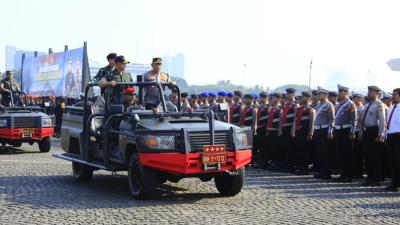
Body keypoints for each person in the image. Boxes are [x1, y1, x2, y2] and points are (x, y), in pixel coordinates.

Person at [359, 86, 386, 186]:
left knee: (375, 156)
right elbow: (362, 120)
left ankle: (376, 178)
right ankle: (369, 177)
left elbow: (382, 120)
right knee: (367, 156)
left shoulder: (379, 105)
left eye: (371, 91)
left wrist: (380, 134)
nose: (369, 93)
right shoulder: (367, 105)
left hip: (374, 131)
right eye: (369, 91)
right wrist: (361, 133)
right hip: (366, 132)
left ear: (377, 93)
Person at [333, 84, 357, 183]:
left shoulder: (350, 104)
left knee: (347, 154)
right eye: (339, 92)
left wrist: (352, 132)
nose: (339, 94)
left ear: (346, 92)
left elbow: (354, 119)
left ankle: (348, 176)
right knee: (341, 154)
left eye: (340, 92)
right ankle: (343, 175)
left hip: (346, 131)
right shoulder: (339, 104)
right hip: (339, 130)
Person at [313, 87, 335, 179]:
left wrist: (330, 131)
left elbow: (332, 119)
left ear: (325, 95)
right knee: (319, 152)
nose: (318, 95)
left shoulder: (329, 105)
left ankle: (326, 173)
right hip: (318, 130)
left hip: (325, 130)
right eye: (318, 94)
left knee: (325, 152)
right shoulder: (318, 105)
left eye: (320, 94)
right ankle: (321, 171)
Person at [291, 91, 315, 175]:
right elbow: (295, 120)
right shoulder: (298, 109)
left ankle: (305, 168)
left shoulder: (310, 109)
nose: (302, 98)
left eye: (304, 97)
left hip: (305, 133)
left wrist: (310, 133)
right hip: (298, 132)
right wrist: (293, 130)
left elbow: (312, 122)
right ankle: (300, 167)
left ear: (308, 98)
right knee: (299, 150)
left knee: (305, 151)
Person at [385, 88, 400, 192]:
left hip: (398, 136)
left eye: (394, 95)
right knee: (392, 161)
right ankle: (394, 183)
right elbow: (388, 123)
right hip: (390, 136)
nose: (392, 96)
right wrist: (386, 135)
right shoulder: (391, 107)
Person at [280, 88, 299, 172]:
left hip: (290, 127)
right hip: (284, 127)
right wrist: (280, 128)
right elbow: (282, 118)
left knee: (291, 148)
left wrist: (293, 128)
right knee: (285, 147)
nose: (288, 95)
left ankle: (291, 167)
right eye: (287, 93)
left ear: (293, 94)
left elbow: (295, 117)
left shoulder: (295, 105)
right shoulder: (285, 105)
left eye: (290, 93)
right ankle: (286, 165)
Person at [266, 93, 282, 170]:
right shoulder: (271, 108)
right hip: (270, 130)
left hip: (276, 130)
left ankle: (277, 164)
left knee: (276, 148)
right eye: (272, 98)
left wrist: (279, 130)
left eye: (274, 98)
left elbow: (281, 121)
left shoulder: (280, 108)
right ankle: (273, 163)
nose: (272, 99)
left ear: (278, 99)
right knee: (271, 148)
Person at [352, 92, 365, 178]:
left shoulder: (362, 109)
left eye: (355, 98)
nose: (353, 99)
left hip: (359, 132)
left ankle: (359, 173)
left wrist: (360, 133)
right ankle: (354, 171)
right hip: (353, 131)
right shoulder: (354, 108)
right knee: (353, 153)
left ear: (360, 99)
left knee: (358, 153)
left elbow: (362, 123)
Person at [256, 91, 269, 168]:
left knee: (265, 146)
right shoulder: (259, 107)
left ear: (266, 98)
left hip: (264, 129)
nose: (261, 99)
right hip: (258, 129)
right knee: (259, 146)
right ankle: (260, 162)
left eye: (262, 97)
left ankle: (265, 162)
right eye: (260, 97)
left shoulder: (268, 107)